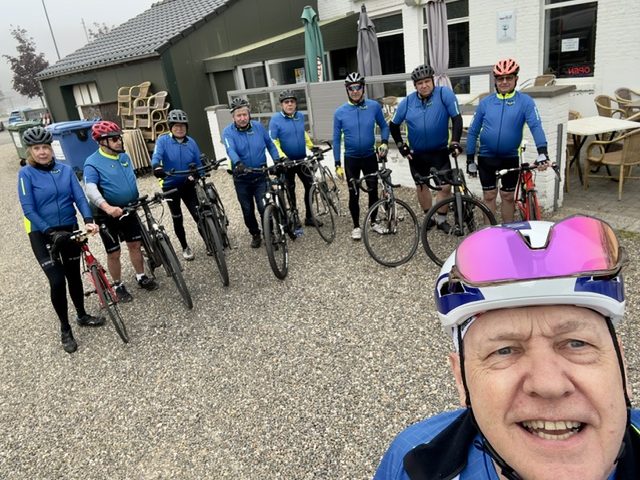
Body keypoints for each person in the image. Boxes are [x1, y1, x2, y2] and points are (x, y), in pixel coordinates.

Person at [374, 215, 639, 479]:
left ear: (622, 367)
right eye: (504, 350)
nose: (549, 385)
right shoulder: (411, 462)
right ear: (461, 380)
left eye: (577, 344)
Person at [17, 126, 105, 354]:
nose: (42, 152)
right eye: (37, 148)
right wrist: (49, 232)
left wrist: (88, 219)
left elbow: (79, 197)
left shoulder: (65, 170)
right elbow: (28, 208)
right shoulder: (26, 174)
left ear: (51, 148)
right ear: (30, 151)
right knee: (57, 281)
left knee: (74, 275)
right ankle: (65, 328)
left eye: (45, 147)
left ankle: (82, 315)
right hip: (42, 233)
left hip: (69, 227)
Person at [466, 58, 549, 223]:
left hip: (510, 157)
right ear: (495, 81)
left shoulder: (525, 101)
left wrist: (543, 152)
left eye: (509, 78)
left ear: (516, 79)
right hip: (486, 157)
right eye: (500, 78)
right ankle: (489, 233)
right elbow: (473, 131)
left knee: (508, 197)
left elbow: (535, 126)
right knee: (489, 195)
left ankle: (507, 233)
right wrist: (469, 159)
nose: (504, 82)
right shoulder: (486, 102)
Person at [84, 120, 158, 303]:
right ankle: (117, 284)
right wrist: (108, 207)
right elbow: (90, 189)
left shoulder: (124, 157)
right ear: (102, 142)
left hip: (128, 209)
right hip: (105, 214)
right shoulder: (92, 162)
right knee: (114, 252)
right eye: (114, 139)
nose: (119, 142)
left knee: (135, 244)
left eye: (119, 138)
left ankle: (141, 276)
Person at [389, 64, 463, 233]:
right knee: (422, 186)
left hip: (439, 151)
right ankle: (429, 217)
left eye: (427, 81)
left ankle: (441, 220)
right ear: (415, 85)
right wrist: (401, 147)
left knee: (445, 187)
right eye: (420, 83)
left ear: (433, 81)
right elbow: (393, 125)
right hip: (417, 154)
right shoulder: (407, 102)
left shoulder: (444, 94)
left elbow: (456, 118)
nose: (424, 85)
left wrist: (455, 141)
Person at [333, 72, 390, 240]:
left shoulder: (373, 106)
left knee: (373, 191)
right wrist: (337, 164)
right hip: (351, 159)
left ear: (363, 88)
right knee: (354, 193)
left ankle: (373, 222)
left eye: (358, 87)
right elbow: (336, 139)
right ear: (347, 90)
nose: (355, 91)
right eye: (351, 88)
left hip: (369, 156)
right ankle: (356, 226)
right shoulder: (340, 112)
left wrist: (384, 142)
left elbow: (384, 126)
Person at [222, 98, 282, 248]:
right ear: (233, 117)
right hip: (242, 178)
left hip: (261, 175)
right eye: (238, 115)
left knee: (264, 207)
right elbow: (230, 149)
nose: (242, 118)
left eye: (245, 114)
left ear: (249, 115)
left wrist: (277, 160)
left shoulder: (258, 127)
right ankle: (255, 233)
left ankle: (269, 233)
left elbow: (270, 144)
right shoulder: (228, 132)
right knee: (247, 210)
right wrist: (238, 163)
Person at [151, 109, 202, 261]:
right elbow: (156, 157)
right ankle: (185, 247)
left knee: (198, 214)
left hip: (187, 184)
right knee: (177, 217)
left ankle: (211, 241)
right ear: (171, 127)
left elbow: (198, 162)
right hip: (170, 186)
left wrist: (198, 173)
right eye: (176, 126)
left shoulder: (191, 142)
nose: (180, 129)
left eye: (182, 126)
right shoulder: (163, 141)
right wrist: (156, 167)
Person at [269, 90, 314, 227]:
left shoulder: (299, 116)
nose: (289, 104)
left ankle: (309, 217)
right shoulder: (275, 119)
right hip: (286, 162)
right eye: (286, 102)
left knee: (310, 186)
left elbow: (302, 133)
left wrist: (311, 147)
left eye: (292, 102)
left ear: (295, 104)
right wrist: (282, 157)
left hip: (301, 159)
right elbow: (273, 141)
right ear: (281, 105)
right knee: (290, 189)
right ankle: (294, 217)